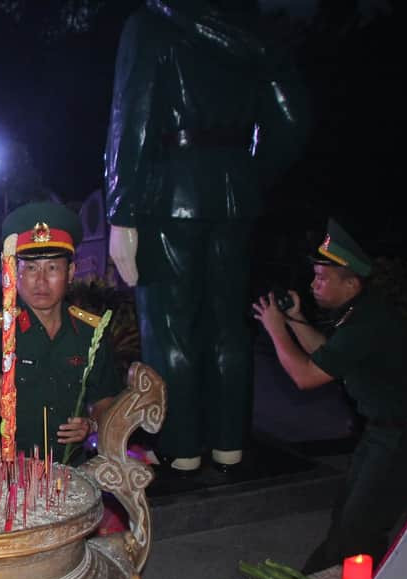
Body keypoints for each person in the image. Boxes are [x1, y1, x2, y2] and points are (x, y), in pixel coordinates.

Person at [104, 0, 307, 475]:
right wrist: (247, 174)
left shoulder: (151, 25)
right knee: (229, 325)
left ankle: (181, 446)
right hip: (235, 196)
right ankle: (229, 441)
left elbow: (131, 117)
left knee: (170, 326)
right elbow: (293, 118)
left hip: (169, 197)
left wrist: (122, 209)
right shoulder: (251, 27)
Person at [253, 219, 407, 573]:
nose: (314, 285)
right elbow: (327, 356)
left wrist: (276, 330)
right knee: (347, 520)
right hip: (386, 432)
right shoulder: (362, 311)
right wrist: (294, 319)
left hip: (406, 437)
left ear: (351, 283)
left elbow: (306, 376)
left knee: (357, 530)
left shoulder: (368, 323)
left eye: (322, 278)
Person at [0, 201, 122, 466]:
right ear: (16, 273)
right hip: (7, 473)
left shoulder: (91, 334)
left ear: (70, 273)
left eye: (52, 268)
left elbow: (106, 400)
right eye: (31, 268)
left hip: (72, 471)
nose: (41, 281)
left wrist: (91, 424)